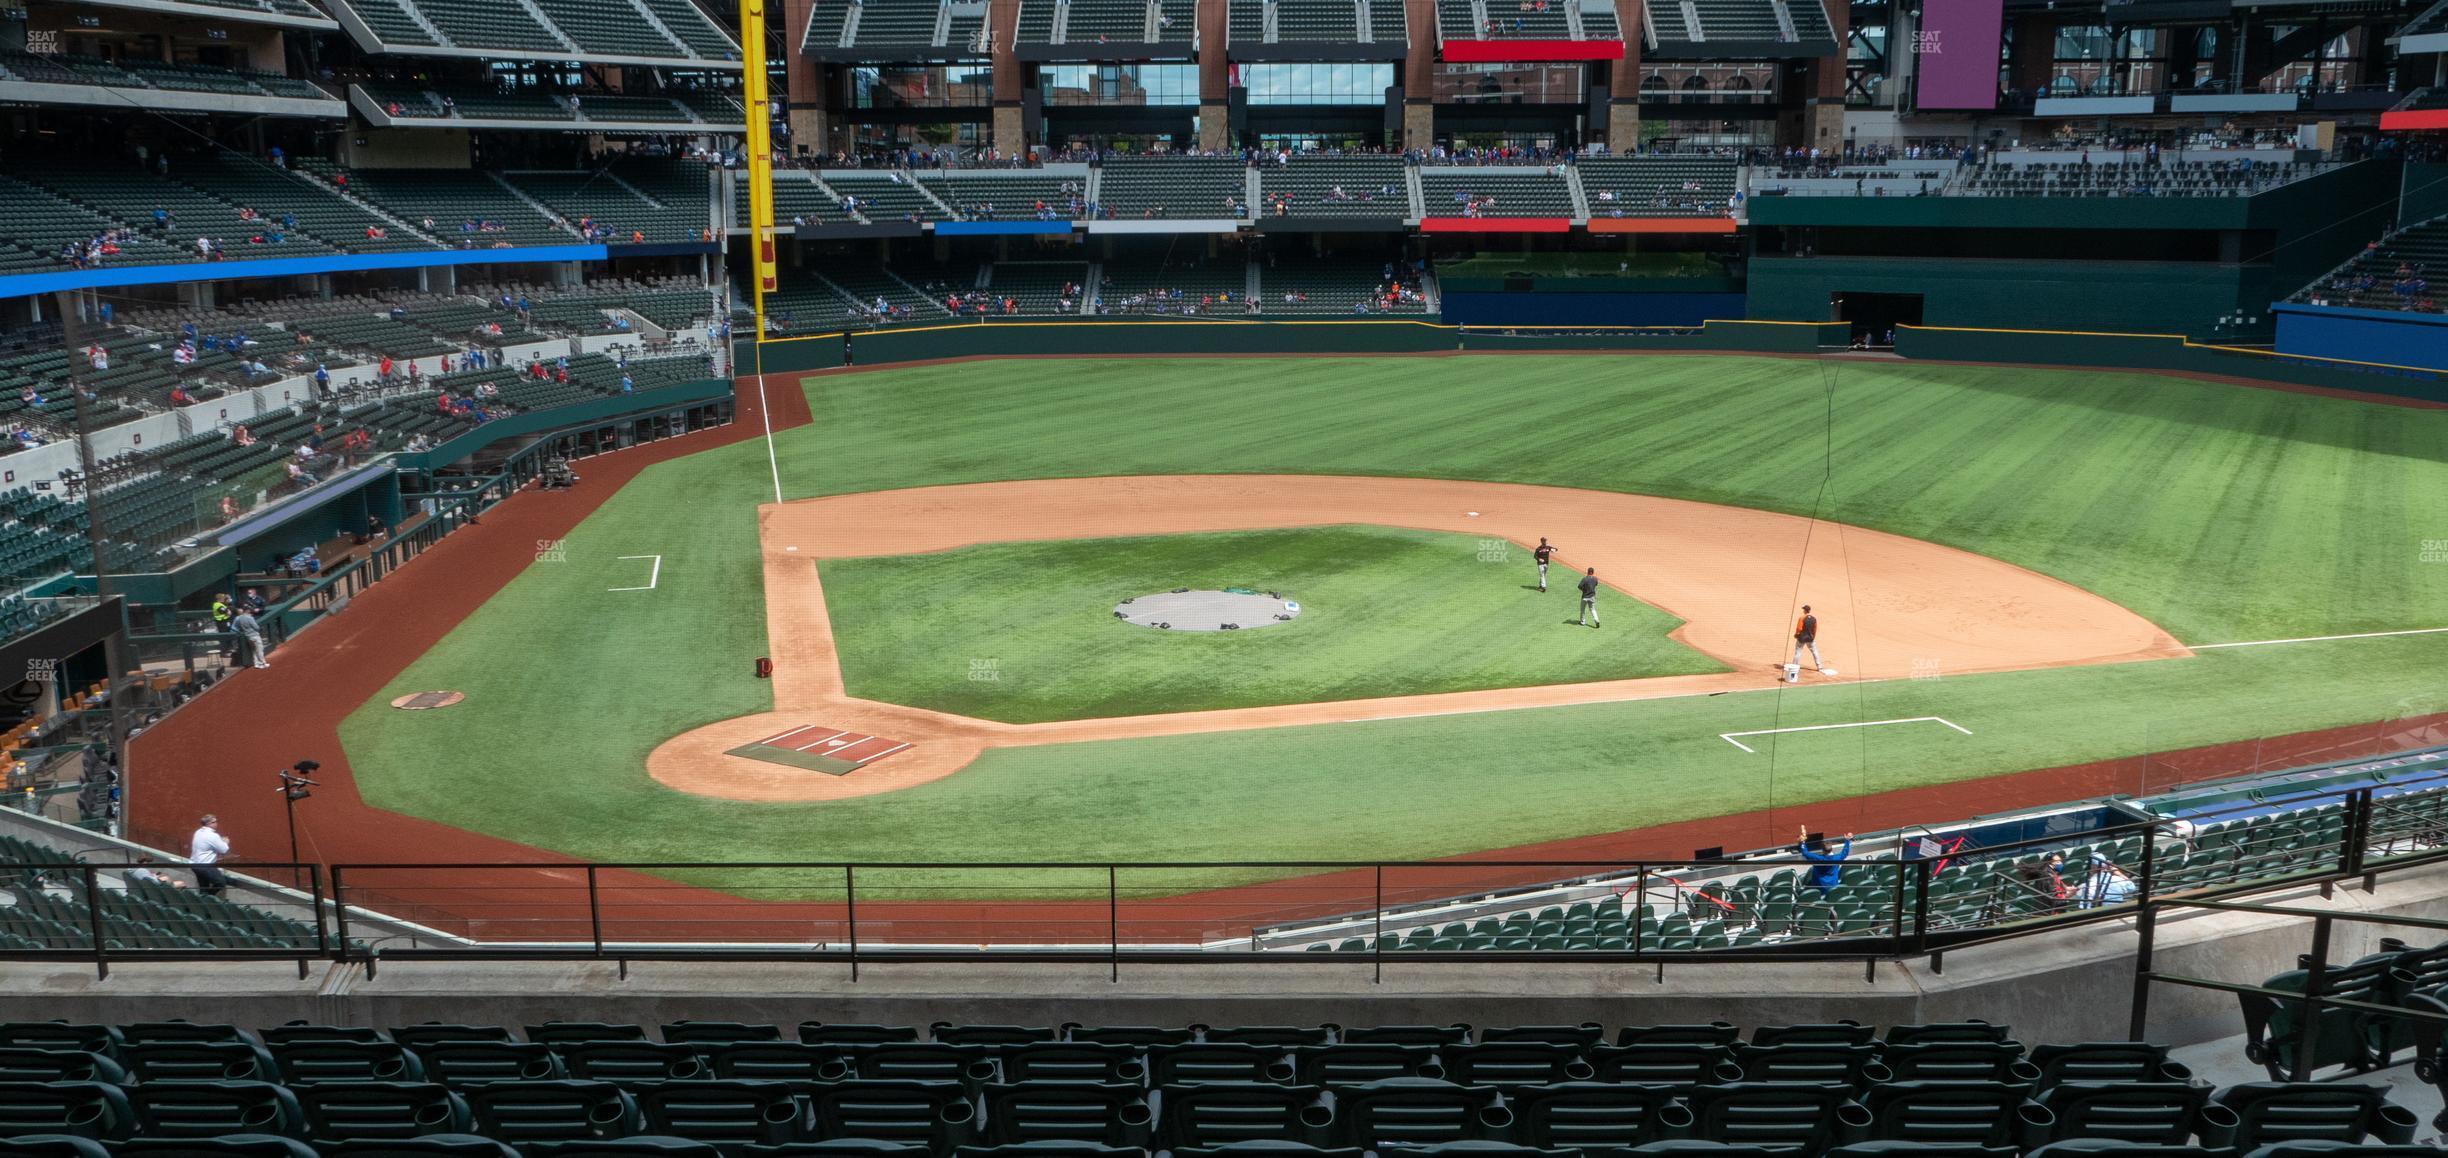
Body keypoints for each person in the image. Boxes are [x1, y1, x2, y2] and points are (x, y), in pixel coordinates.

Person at [1797, 825, 1852, 896]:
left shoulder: (1817, 859)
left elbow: (1805, 852)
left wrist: (1803, 841)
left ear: (1822, 850)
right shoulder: (1837, 858)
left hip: (1819, 888)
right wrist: (1847, 840)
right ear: (1831, 849)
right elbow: (1845, 852)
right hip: (1833, 887)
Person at [189, 815, 231, 896]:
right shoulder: (213, 835)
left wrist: (219, 841)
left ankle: (203, 900)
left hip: (194, 865)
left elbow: (208, 843)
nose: (216, 823)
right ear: (208, 824)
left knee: (203, 887)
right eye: (214, 822)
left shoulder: (198, 832)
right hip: (205, 867)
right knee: (220, 883)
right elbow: (224, 850)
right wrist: (226, 842)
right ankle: (208, 897)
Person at [1787, 604, 1824, 681]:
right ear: (1809, 610)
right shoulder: (1814, 619)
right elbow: (1815, 630)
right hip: (1810, 639)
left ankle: (1794, 666)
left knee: (1798, 652)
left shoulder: (1802, 618)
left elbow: (1799, 628)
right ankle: (1819, 666)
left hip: (1802, 638)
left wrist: (1796, 634)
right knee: (1814, 651)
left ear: (1804, 610)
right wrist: (1813, 637)